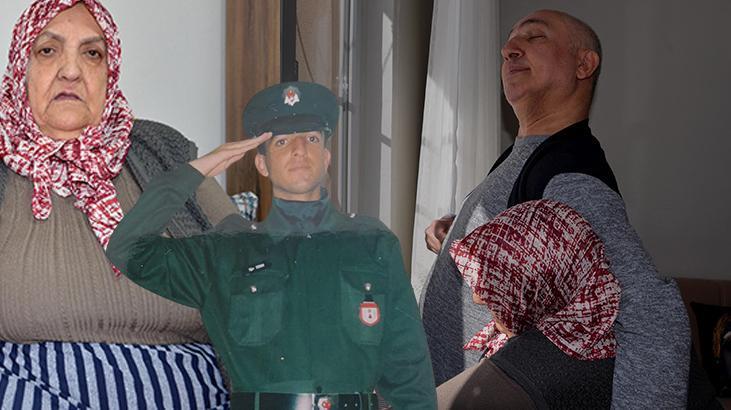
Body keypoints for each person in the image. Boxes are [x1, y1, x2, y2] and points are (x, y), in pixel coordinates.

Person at [106, 81, 437, 409]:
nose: (299, 149)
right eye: (282, 141)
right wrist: (196, 171)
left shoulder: (372, 245)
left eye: (311, 138)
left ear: (326, 157)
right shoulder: (226, 251)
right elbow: (126, 249)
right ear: (262, 164)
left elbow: (409, 374)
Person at [420, 9, 691, 408]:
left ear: (584, 65)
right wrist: (457, 233)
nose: (509, 49)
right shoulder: (525, 157)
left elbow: (652, 312)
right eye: (509, 44)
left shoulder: (570, 175)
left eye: (535, 37)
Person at [0, 0, 239, 408]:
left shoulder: (162, 152)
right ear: (21, 68)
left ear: (109, 73)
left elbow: (254, 272)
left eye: (92, 53)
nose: (71, 70)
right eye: (48, 50)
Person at [438, 199, 621, 409]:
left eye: (497, 284)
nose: (477, 298)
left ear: (540, 289)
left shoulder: (534, 366)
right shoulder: (589, 338)